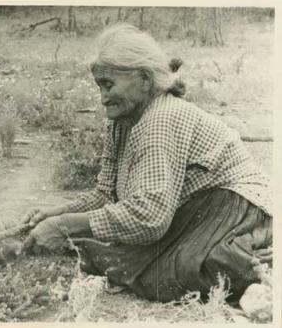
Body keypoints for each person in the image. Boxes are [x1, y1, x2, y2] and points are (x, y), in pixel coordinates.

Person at [22, 24, 272, 302]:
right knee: (124, 259)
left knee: (183, 271)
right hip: (187, 207)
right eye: (99, 86)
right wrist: (58, 213)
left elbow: (150, 217)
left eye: (109, 85)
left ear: (143, 80)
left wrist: (63, 226)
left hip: (235, 205)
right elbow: (106, 193)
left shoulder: (161, 119)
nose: (103, 97)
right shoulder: (124, 119)